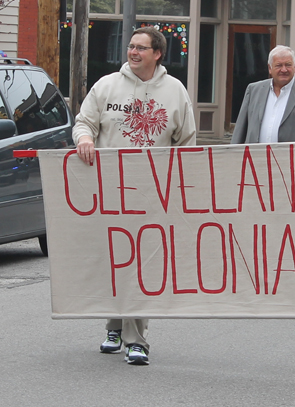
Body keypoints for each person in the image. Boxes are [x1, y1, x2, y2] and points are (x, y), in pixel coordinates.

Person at [72, 26, 196, 365]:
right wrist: (84, 139)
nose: (133, 52)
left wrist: (179, 186)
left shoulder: (174, 91)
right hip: (109, 192)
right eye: (131, 46)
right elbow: (84, 122)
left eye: (141, 48)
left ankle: (137, 339)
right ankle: (114, 326)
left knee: (143, 264)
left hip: (151, 194)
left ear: (157, 54)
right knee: (116, 259)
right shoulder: (106, 85)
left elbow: (186, 142)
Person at [231, 45, 295, 144]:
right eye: (278, 65)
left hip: (290, 158)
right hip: (255, 157)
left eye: (288, 65)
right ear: (270, 68)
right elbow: (240, 130)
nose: (284, 70)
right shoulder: (254, 90)